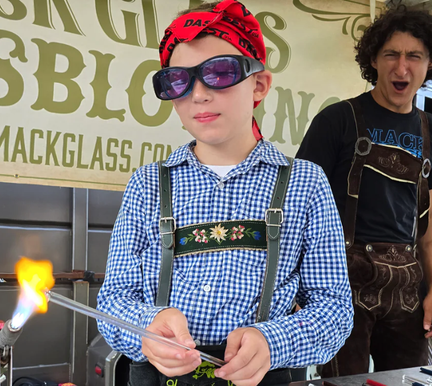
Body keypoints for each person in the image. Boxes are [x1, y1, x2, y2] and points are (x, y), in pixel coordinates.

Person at [97, 1, 353, 385]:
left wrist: (273, 341)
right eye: (178, 81)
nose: (198, 94)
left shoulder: (305, 183)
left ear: (259, 85)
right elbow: (113, 299)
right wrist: (145, 326)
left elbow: (334, 310)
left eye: (219, 72)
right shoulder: (148, 183)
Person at [296, 7, 432, 377]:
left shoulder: (430, 130)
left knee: (410, 382)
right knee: (342, 383)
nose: (401, 67)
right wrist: (296, 291)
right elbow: (298, 210)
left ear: (428, 63)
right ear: (373, 58)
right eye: (392, 54)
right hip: (342, 283)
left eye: (414, 56)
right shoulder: (337, 120)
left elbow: (430, 227)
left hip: (409, 291)